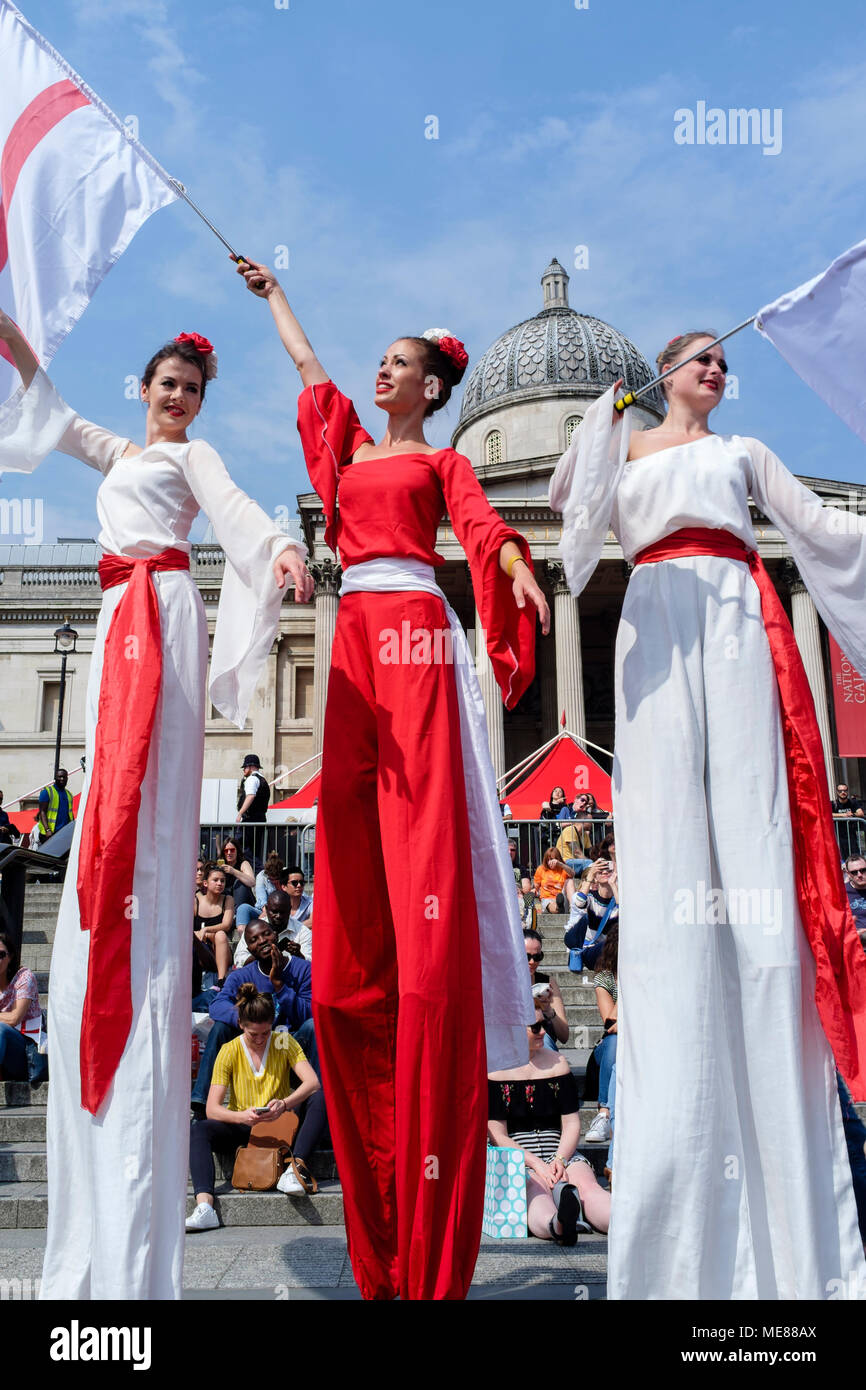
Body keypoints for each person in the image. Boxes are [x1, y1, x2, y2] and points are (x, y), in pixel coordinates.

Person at [239, 255, 547, 1300]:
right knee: (352, 866)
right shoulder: (350, 452)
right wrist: (277, 294)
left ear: (429, 386)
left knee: (421, 892)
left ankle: (430, 1218)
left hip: (414, 628)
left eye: (399, 362)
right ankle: (380, 1222)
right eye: (380, 360)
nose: (381, 370)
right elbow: (308, 368)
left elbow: (484, 527)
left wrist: (508, 567)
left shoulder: (443, 462)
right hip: (355, 645)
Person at [0, 313, 313, 1300]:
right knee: (108, 785)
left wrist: (284, 547)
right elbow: (53, 419)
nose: (177, 397)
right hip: (117, 616)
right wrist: (12, 336)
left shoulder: (195, 455)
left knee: (150, 789)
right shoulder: (122, 449)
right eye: (166, 384)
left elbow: (236, 511)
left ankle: (144, 877)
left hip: (164, 611)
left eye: (190, 387)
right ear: (144, 387)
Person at [550, 330, 866, 1299]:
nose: (715, 373)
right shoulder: (623, 442)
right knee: (664, 876)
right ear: (661, 373)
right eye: (699, 360)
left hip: (731, 614)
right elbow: (573, 535)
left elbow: (824, 529)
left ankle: (792, 1247)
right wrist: (602, 420)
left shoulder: (741, 455)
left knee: (757, 862)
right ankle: (675, 1238)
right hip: (651, 618)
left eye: (721, 364)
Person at [186, 983, 322, 1230]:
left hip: (281, 1124)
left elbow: (312, 1082)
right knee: (199, 1129)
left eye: (265, 1033)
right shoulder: (230, 1050)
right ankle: (205, 1205)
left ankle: (296, 1168)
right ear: (241, 1025)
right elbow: (212, 1109)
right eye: (253, 1034)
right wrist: (241, 1116)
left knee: (319, 1096)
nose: (260, 1040)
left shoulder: (282, 1042)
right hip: (245, 1126)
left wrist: (284, 1103)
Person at [488, 1011, 610, 1243]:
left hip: (560, 1150)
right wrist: (536, 1164)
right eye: (535, 1027)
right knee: (535, 1192)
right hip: (519, 1156)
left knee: (588, 1186)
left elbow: (572, 1123)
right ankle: (558, 1224)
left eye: (543, 1024)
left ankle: (621, 1221)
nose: (543, 1032)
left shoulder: (557, 1062)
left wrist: (559, 1160)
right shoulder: (494, 1069)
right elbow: (498, 1136)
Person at [191, 914, 314, 1115]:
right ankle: (201, 1103)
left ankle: (318, 1106)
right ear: (249, 949)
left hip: (287, 1043)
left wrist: (280, 986)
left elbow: (309, 1011)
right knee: (221, 1026)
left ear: (276, 935)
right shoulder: (242, 975)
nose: (262, 941)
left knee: (313, 1026)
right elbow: (217, 1006)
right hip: (253, 1043)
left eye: (266, 934)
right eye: (254, 940)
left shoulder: (303, 969)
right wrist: (250, 1019)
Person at [584, 923, 618, 1146]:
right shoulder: (604, 979)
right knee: (615, 1041)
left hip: (644, 1041)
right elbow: (611, 1023)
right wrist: (627, 983)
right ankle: (604, 1113)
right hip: (608, 1046)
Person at [0, 931, 47, 1085]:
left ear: (10, 956)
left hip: (26, 1053)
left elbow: (14, 1018)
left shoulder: (24, 977)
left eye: (1, 955)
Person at [234, 888, 313, 968]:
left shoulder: (303, 931)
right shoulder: (253, 930)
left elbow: (310, 966)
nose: (278, 916)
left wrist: (298, 955)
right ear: (267, 909)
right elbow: (240, 962)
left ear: (289, 909)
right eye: (274, 912)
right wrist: (262, 953)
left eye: (282, 912)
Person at [524, 929, 569, 1047]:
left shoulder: (547, 983)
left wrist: (548, 1010)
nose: (532, 962)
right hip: (516, 1040)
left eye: (537, 956)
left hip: (543, 1041)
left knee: (545, 1042)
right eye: (526, 956)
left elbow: (564, 1036)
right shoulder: (505, 984)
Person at [194, 862, 236, 982]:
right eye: (215, 880)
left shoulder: (228, 899)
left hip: (221, 950)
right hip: (201, 951)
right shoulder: (196, 901)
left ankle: (221, 980)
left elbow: (226, 925)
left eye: (222, 881)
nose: (219, 883)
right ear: (205, 883)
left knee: (221, 934)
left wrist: (206, 930)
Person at [217, 835, 256, 911]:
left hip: (243, 903)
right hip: (226, 902)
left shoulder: (243, 863)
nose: (229, 853)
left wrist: (233, 871)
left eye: (232, 850)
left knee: (240, 883)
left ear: (237, 851)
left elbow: (252, 882)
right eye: (226, 850)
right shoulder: (221, 864)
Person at [37, 767, 74, 840]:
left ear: (67, 778)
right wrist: (47, 829)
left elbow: (70, 814)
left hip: (64, 833)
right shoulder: (47, 792)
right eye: (60, 777)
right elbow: (42, 812)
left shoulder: (69, 794)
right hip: (49, 833)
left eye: (64, 777)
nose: (62, 779)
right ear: (55, 778)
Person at [533, 847, 571, 914]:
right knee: (550, 904)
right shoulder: (541, 869)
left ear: (558, 859)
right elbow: (536, 887)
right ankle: (559, 908)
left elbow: (572, 874)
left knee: (570, 881)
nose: (551, 862)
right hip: (547, 898)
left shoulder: (563, 869)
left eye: (553, 859)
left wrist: (560, 864)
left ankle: (571, 907)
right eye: (549, 859)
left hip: (562, 896)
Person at [834, 784, 866, 859]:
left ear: (847, 792)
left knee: (855, 856)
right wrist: (842, 815)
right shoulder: (833, 804)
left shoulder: (853, 802)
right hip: (839, 836)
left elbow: (861, 813)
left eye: (845, 790)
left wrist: (852, 814)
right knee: (841, 858)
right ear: (837, 792)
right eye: (840, 791)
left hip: (852, 835)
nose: (843, 792)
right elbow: (828, 814)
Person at [844, 856, 866, 948]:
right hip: (855, 944)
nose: (859, 875)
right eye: (854, 872)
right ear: (848, 874)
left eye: (863, 870)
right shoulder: (841, 893)